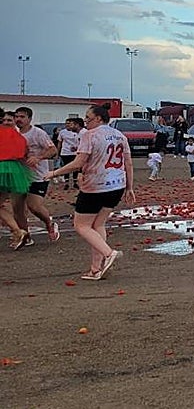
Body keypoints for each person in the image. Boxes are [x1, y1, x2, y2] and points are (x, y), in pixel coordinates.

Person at [44, 103, 135, 280]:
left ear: (98, 119)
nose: (85, 121)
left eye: (88, 118)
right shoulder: (119, 135)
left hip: (96, 185)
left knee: (81, 225)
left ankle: (109, 254)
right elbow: (128, 163)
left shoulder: (90, 135)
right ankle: (96, 268)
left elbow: (78, 163)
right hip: (117, 185)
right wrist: (130, 187)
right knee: (98, 225)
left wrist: (53, 173)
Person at [12, 107, 59, 244]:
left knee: (34, 206)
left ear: (29, 119)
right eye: (16, 117)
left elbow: (53, 150)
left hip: (38, 176)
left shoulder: (38, 133)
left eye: (22, 117)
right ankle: (25, 237)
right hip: (19, 175)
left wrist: (38, 157)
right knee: (17, 208)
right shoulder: (13, 133)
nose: (18, 119)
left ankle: (49, 223)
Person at [0, 109, 32, 249]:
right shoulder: (16, 135)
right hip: (14, 169)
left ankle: (17, 231)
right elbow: (24, 152)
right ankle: (17, 231)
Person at [56, 117, 83, 189]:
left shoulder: (76, 132)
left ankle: (75, 182)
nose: (68, 125)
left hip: (75, 153)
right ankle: (66, 183)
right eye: (66, 123)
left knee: (75, 168)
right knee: (66, 168)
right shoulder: (62, 132)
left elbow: (80, 141)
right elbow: (59, 143)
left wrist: (78, 149)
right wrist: (57, 153)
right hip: (65, 152)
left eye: (70, 124)